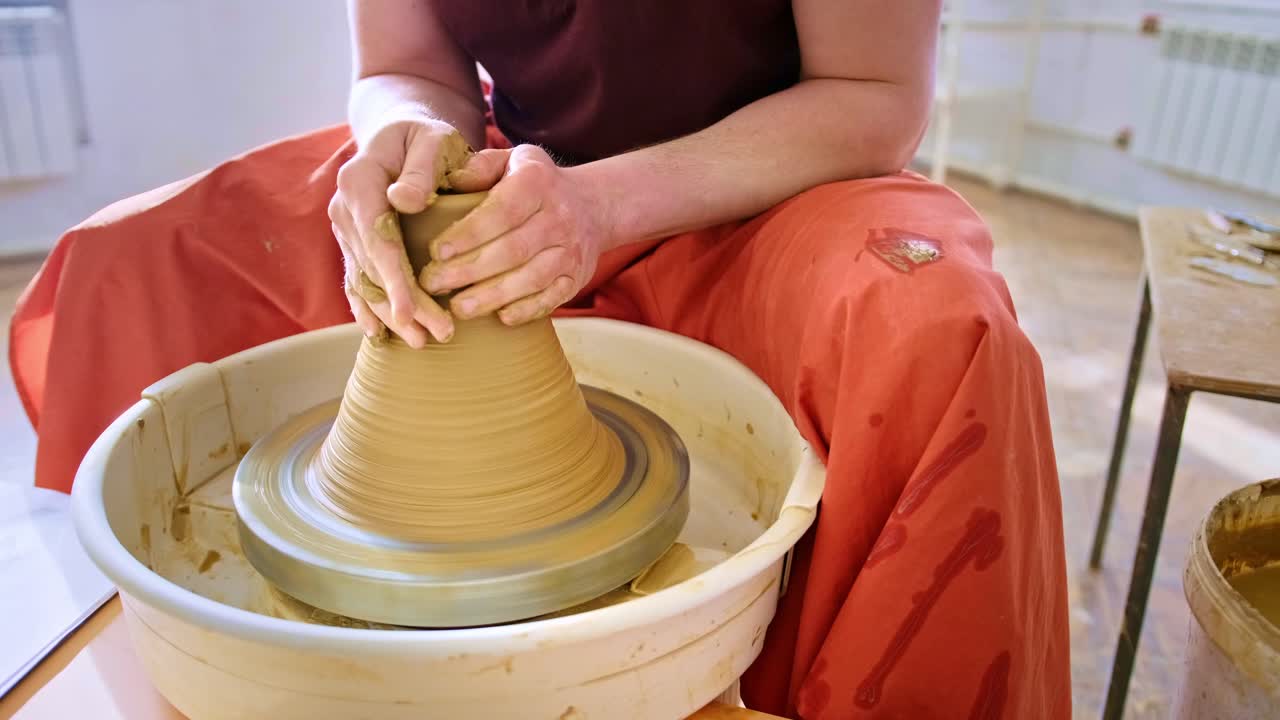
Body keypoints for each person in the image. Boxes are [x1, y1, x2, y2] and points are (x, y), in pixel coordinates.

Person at [10, 2, 1071, 717]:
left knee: (933, 329)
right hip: (510, 180)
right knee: (132, 263)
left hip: (763, 186)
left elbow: (870, 93)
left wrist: (604, 204)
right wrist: (407, 149)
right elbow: (402, 66)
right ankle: (204, 667)